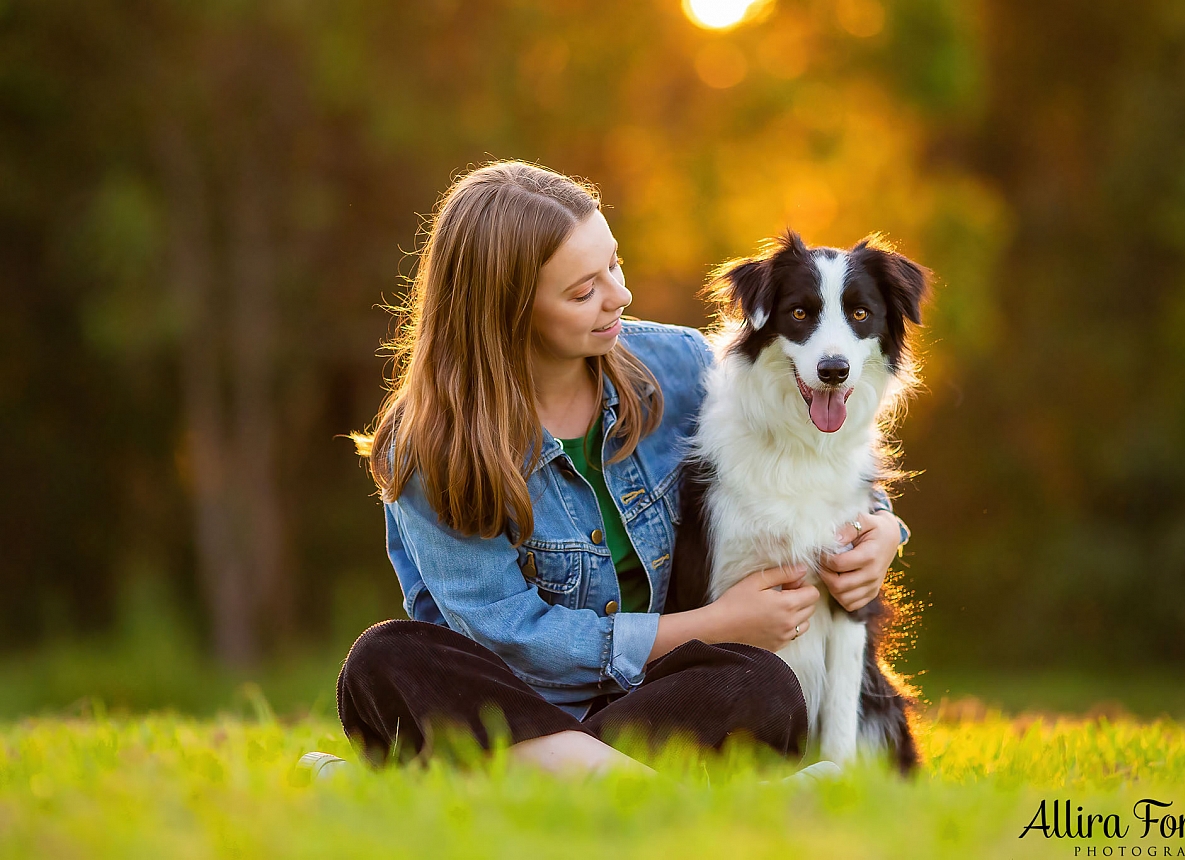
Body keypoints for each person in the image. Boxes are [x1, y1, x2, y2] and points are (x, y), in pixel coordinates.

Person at [318, 160, 910, 779]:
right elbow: (509, 635)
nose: (620, 297)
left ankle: (505, 778)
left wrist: (884, 533)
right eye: (583, 292)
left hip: (648, 704)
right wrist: (707, 625)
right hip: (506, 701)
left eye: (614, 265)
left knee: (762, 685)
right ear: (509, 312)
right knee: (385, 659)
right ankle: (638, 790)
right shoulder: (429, 444)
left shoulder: (677, 366)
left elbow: (810, 454)